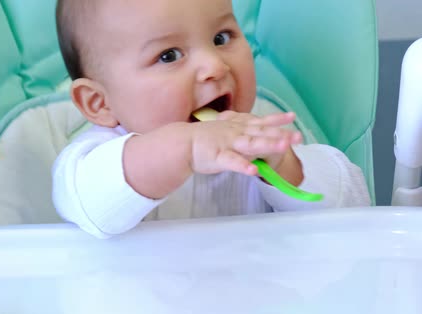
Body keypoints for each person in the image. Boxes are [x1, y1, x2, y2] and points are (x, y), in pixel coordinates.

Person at [52, 0, 370, 239]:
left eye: (221, 37)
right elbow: (92, 204)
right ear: (100, 103)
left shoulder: (264, 138)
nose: (214, 66)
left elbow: (352, 215)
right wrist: (185, 148)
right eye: (168, 56)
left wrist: (285, 166)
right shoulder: (93, 161)